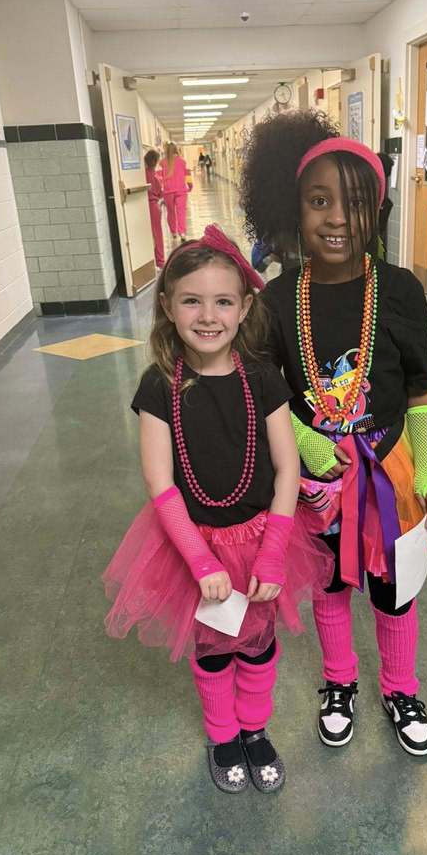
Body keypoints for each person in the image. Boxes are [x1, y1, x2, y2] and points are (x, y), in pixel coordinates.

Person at [240, 110, 427, 757]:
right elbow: (264, 389)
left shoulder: (398, 291)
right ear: (292, 209)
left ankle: (399, 687)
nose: (337, 218)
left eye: (355, 203)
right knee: (330, 587)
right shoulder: (278, 301)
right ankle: (340, 683)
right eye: (318, 201)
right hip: (317, 484)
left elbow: (420, 387)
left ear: (377, 212)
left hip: (390, 473)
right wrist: (306, 444)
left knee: (394, 590)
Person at [103, 224, 332, 794]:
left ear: (245, 306)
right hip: (191, 545)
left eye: (223, 301)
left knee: (257, 643)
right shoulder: (159, 387)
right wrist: (201, 563)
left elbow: (287, 471)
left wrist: (275, 555)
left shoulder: (263, 382)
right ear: (167, 307)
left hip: (263, 539)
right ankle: (222, 733)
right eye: (192, 301)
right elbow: (161, 484)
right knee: (210, 647)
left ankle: (255, 729)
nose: (208, 316)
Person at [160, 142, 190, 245]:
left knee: (171, 212)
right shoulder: (182, 162)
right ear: (176, 150)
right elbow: (187, 174)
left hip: (168, 191)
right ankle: (182, 233)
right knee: (181, 212)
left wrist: (160, 191)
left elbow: (159, 177)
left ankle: (173, 232)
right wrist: (190, 186)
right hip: (181, 191)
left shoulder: (162, 163)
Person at [144, 149, 165, 270]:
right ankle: (160, 261)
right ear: (155, 161)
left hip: (144, 206)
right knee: (157, 234)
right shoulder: (154, 176)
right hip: (153, 206)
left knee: (147, 235)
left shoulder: (141, 174)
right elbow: (160, 193)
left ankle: (151, 260)